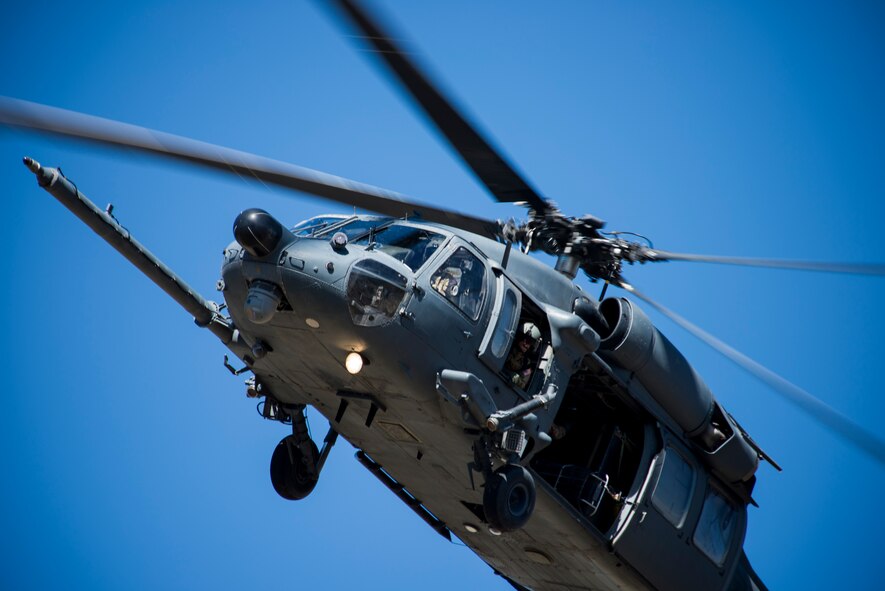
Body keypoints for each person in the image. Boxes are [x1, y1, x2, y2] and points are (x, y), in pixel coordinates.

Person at [505, 322, 541, 389]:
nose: (525, 343)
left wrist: (517, 379)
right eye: (523, 338)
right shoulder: (506, 347)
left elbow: (523, 384)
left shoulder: (526, 363)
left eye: (529, 341)